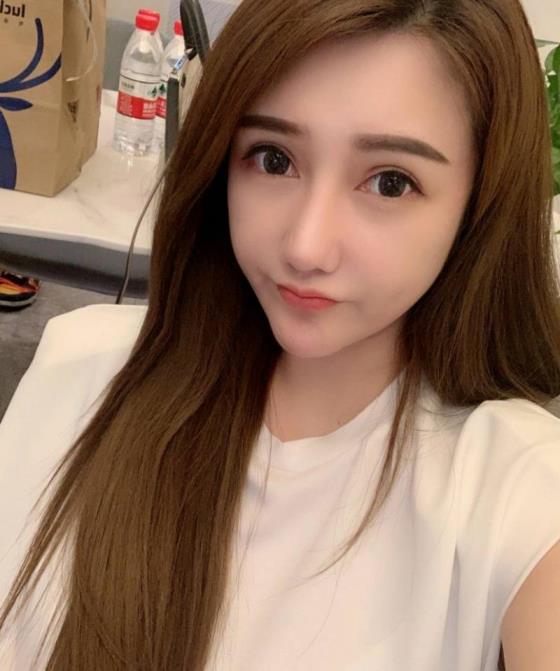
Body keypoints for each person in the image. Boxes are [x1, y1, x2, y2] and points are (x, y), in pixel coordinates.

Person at [1, 0, 560, 669]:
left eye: (389, 182)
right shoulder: (82, 369)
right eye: (273, 159)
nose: (305, 246)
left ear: (480, 205)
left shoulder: (515, 490)